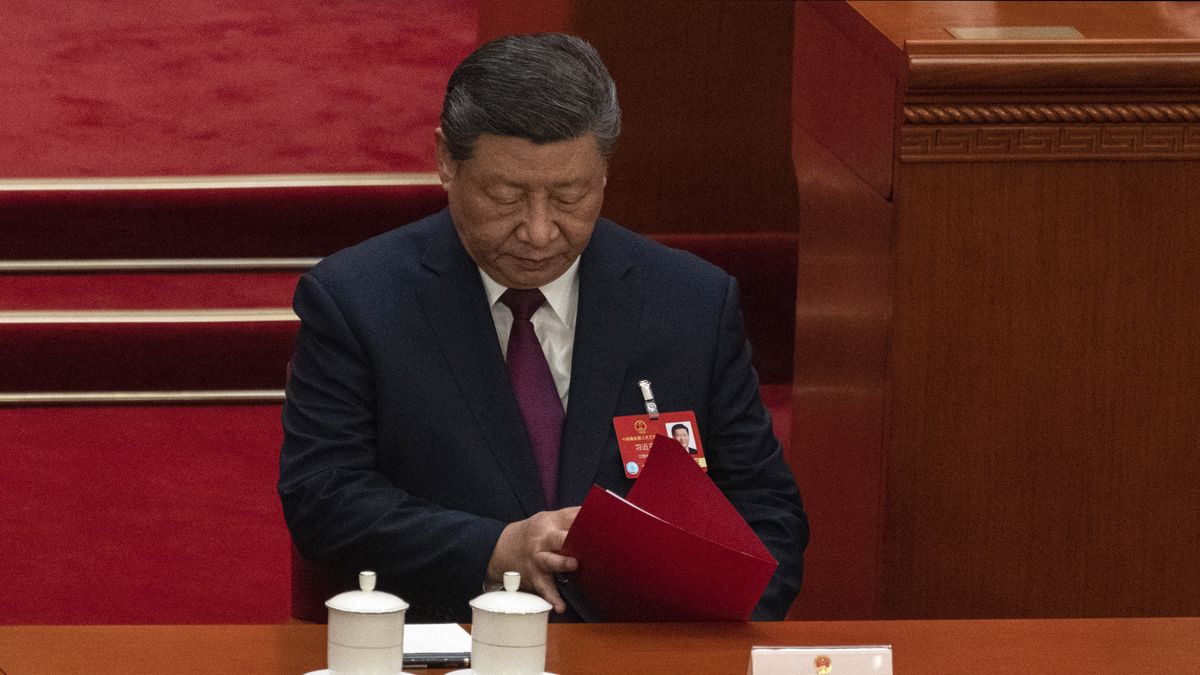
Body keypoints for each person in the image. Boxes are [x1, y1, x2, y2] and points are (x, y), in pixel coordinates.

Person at [278, 32, 808, 623]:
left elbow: (764, 509)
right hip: (449, 643)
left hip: (636, 650)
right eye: (505, 195)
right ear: (446, 163)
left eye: (568, 195)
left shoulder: (690, 302)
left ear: (604, 172)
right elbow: (324, 497)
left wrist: (724, 634)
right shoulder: (357, 300)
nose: (537, 230)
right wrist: (494, 547)